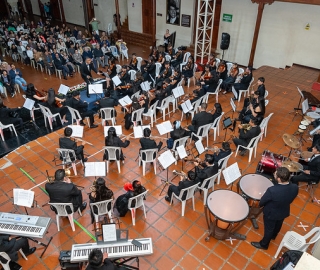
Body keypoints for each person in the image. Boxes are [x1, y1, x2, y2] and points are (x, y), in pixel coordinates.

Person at [251, 167, 298, 250]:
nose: (274, 175)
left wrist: (263, 197)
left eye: (275, 174)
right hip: (284, 211)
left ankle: (264, 244)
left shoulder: (272, 190)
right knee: (278, 224)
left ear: (279, 179)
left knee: (269, 229)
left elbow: (262, 202)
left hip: (271, 213)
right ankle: (274, 236)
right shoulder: (295, 187)